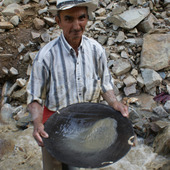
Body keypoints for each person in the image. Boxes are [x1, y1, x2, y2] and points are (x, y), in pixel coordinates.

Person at [27, 0, 129, 169]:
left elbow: (105, 85)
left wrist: (114, 103)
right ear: (58, 21)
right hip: (55, 127)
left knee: (80, 164)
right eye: (68, 19)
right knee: (55, 166)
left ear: (87, 18)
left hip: (88, 124)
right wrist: (37, 123)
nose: (76, 26)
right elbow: (34, 97)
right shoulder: (46, 56)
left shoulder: (96, 50)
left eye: (81, 18)